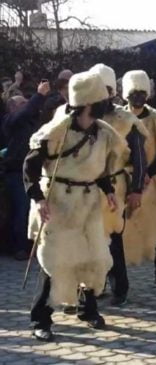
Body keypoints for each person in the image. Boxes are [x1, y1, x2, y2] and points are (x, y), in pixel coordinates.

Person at [26, 71, 126, 341]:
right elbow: (30, 166)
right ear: (90, 103)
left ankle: (88, 310)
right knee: (55, 262)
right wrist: (39, 198)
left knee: (94, 258)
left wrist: (108, 191)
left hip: (90, 202)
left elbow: (101, 169)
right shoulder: (57, 131)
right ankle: (41, 319)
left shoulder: (103, 132)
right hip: (59, 203)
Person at [90, 64, 149, 306]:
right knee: (90, 237)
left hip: (115, 185)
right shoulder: (84, 116)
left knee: (113, 238)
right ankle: (93, 285)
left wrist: (136, 190)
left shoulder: (126, 119)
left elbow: (139, 157)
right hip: (88, 188)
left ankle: (119, 288)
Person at [121, 70, 156, 286]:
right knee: (117, 227)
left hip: (152, 182)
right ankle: (112, 277)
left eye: (142, 92)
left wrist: (149, 173)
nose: (138, 97)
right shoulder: (117, 119)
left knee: (155, 225)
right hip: (124, 178)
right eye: (134, 93)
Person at [2, 80, 49, 260]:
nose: (27, 105)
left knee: (31, 210)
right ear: (13, 108)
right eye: (22, 103)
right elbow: (27, 112)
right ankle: (19, 248)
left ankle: (32, 245)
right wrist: (39, 95)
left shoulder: (30, 123)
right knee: (21, 210)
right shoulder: (10, 121)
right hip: (16, 173)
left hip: (32, 173)